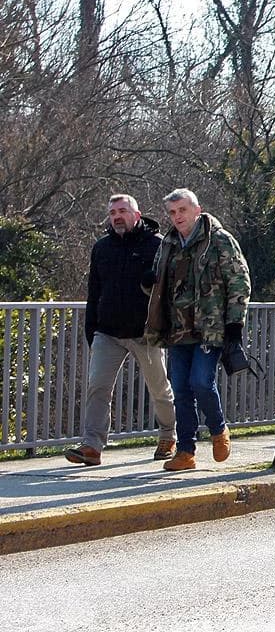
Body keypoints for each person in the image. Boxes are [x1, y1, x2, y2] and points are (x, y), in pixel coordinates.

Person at [64, 194, 177, 467]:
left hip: (145, 332)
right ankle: (92, 446)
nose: (117, 216)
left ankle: (167, 435)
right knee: (97, 387)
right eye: (112, 212)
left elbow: (170, 290)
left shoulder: (157, 245)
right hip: (108, 332)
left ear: (136, 215)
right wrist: (92, 329)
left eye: (122, 211)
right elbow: (94, 291)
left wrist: (165, 326)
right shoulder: (102, 248)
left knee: (159, 388)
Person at [143, 188, 251, 471]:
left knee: (201, 381)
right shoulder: (168, 243)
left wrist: (234, 325)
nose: (177, 217)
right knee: (180, 389)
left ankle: (218, 429)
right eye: (172, 212)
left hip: (210, 326)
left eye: (182, 210)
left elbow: (239, 281)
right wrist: (147, 281)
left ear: (197, 210)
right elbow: (158, 284)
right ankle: (186, 451)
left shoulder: (220, 240)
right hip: (178, 328)